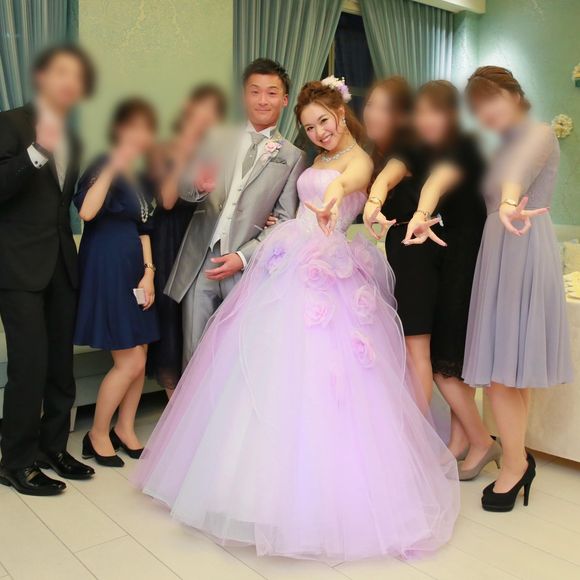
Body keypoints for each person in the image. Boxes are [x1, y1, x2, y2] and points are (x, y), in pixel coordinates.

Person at [133, 78, 459, 562]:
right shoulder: (315, 159)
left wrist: (339, 201)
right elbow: (298, 203)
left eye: (324, 121)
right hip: (291, 258)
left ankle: (322, 502)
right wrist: (287, 223)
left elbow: (350, 185)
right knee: (267, 373)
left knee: (327, 378)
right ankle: (246, 491)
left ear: (341, 115)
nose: (319, 132)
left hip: (330, 268)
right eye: (309, 127)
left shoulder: (359, 159)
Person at [462, 67, 573, 511]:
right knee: (510, 369)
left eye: (491, 100)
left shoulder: (539, 133)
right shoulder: (501, 146)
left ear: (513, 94)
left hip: (523, 246)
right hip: (500, 250)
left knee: (502, 375)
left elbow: (516, 181)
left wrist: (509, 203)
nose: (485, 113)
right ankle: (518, 458)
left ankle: (514, 465)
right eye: (477, 108)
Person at [386, 81, 498, 476]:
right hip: (452, 259)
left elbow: (438, 183)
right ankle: (460, 441)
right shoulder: (431, 150)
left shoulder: (463, 149)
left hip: (466, 262)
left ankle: (481, 441)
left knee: (444, 363)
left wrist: (419, 215)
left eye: (435, 112)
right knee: (453, 361)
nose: (426, 120)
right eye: (421, 113)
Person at [0, 44, 96, 495]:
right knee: (29, 365)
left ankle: (52, 448)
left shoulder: (75, 139)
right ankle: (15, 461)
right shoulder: (10, 123)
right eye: (60, 73)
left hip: (60, 264)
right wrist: (38, 151)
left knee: (60, 365)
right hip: (18, 267)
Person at [165, 58, 305, 367]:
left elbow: (285, 221)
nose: (262, 100)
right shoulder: (217, 138)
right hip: (202, 259)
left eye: (271, 93)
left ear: (284, 100)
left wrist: (243, 257)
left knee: (239, 356)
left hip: (248, 269)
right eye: (255, 91)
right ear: (244, 96)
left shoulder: (293, 157)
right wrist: (198, 186)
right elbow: (185, 190)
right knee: (194, 353)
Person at [74, 98, 159, 467]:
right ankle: (97, 434)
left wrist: (149, 272)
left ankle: (125, 428)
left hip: (135, 271)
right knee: (129, 360)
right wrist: (113, 164)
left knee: (141, 354)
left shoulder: (142, 177)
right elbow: (87, 211)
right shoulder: (100, 163)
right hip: (105, 269)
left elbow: (144, 229)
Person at [146, 85, 227, 396]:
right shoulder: (164, 149)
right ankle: (176, 407)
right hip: (170, 241)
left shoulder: (218, 153)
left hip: (203, 237)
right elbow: (166, 201)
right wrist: (185, 149)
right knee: (173, 322)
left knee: (204, 321)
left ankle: (199, 402)